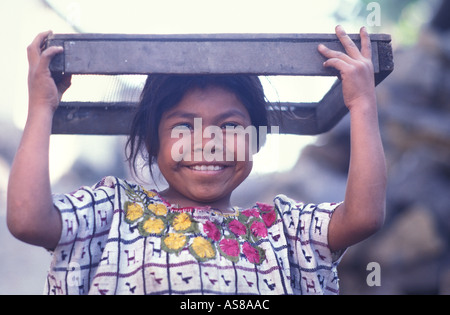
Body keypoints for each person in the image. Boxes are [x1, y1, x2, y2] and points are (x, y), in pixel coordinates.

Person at [7, 25, 386, 295]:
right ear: (153, 141)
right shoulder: (113, 210)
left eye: (230, 126)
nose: (207, 142)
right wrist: (42, 107)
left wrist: (362, 103)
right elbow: (27, 219)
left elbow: (363, 217)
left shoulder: (282, 229)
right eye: (184, 126)